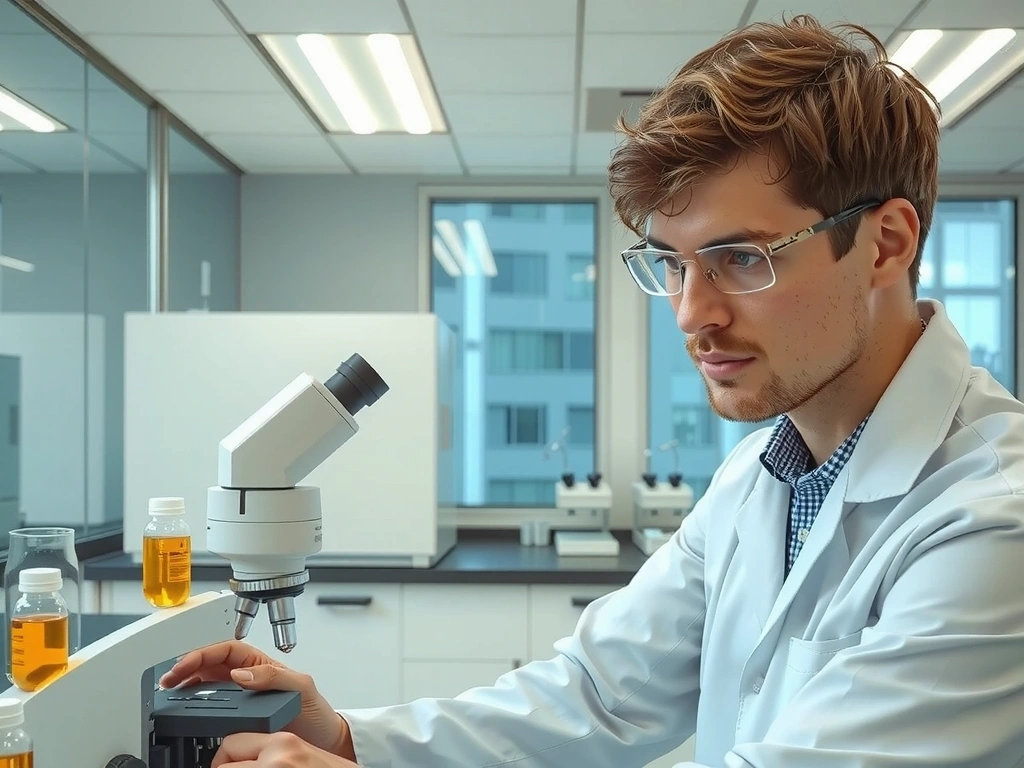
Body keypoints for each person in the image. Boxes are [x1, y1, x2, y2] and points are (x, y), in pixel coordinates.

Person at [160, 14, 1024, 768]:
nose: (693, 315)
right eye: (673, 265)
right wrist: (352, 739)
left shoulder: (993, 520)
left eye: (740, 259)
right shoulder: (764, 473)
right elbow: (596, 692)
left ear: (884, 244)